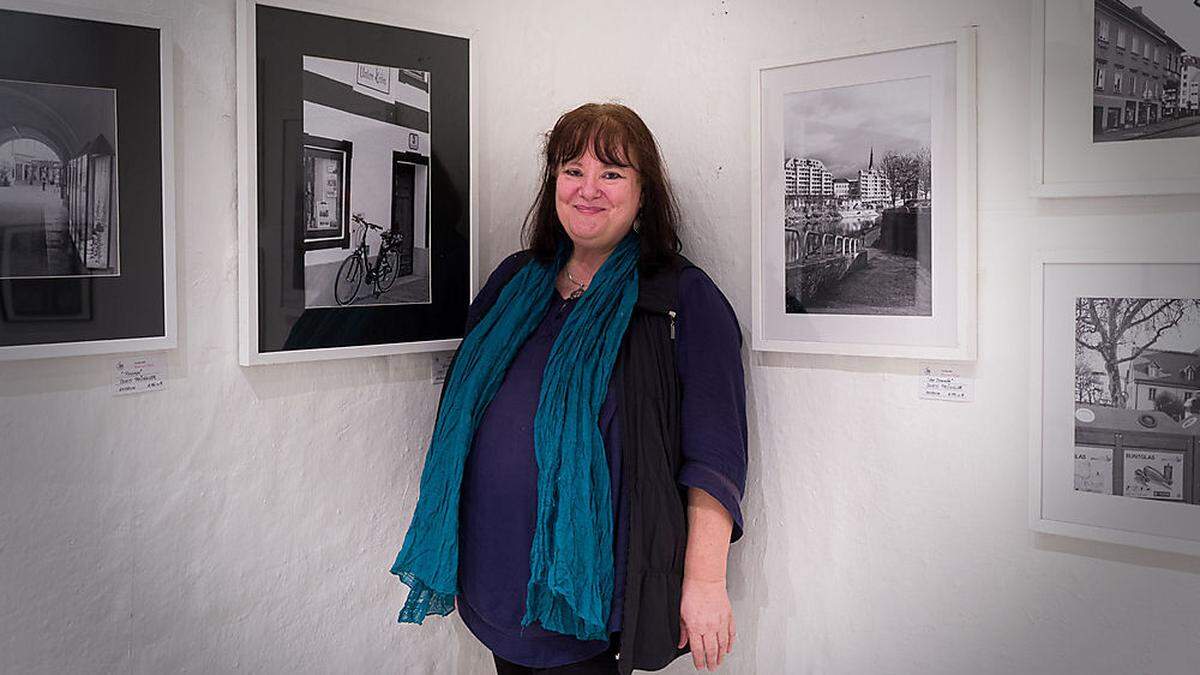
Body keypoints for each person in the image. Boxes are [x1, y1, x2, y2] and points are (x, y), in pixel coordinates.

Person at [391, 103, 747, 674]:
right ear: (553, 182)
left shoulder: (680, 299)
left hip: (591, 595)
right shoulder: (515, 279)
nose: (588, 190)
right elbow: (465, 406)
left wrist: (705, 581)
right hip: (494, 575)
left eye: (611, 173)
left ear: (643, 194)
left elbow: (714, 452)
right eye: (572, 170)